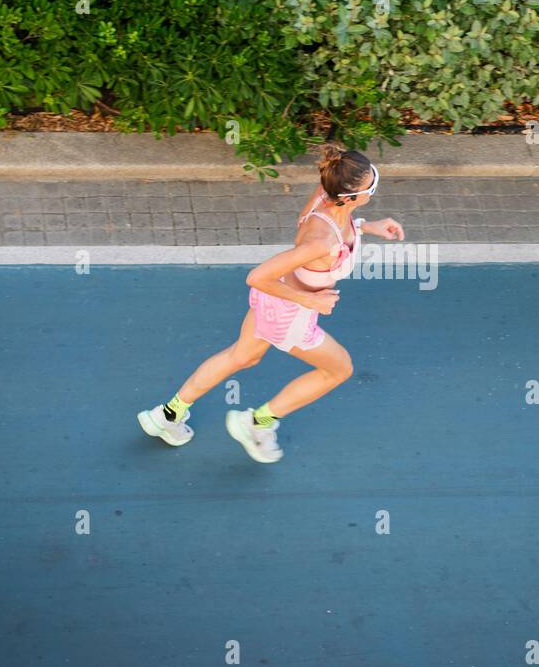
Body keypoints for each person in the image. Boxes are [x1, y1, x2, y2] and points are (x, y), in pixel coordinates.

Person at [138, 145, 405, 463]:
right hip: (290, 315)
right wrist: (310, 300)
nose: (374, 189)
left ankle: (166, 415)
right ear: (348, 197)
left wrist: (366, 226)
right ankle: (256, 423)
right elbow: (257, 276)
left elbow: (340, 226)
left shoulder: (325, 196)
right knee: (339, 369)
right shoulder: (322, 241)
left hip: (272, 300)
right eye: (370, 187)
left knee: (241, 356)